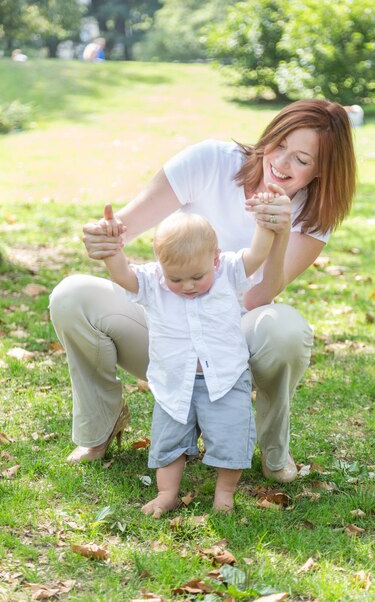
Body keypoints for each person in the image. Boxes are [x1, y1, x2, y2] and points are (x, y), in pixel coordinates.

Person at [50, 98, 357, 485]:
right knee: (71, 294)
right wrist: (104, 237)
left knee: (287, 331)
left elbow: (259, 295)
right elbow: (124, 224)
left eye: (301, 159)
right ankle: (101, 427)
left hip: (231, 344)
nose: (281, 164)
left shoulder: (316, 210)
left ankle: (273, 449)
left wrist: (277, 235)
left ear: (320, 171)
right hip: (166, 332)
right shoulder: (213, 160)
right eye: (279, 145)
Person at [101, 208, 275, 515]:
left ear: (215, 259)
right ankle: (167, 493)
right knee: (169, 443)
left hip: (225, 379)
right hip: (174, 383)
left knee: (230, 437)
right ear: (161, 268)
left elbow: (258, 253)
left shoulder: (227, 273)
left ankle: (225, 494)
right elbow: (122, 275)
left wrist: (264, 224)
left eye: (198, 276)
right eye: (176, 278)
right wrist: (113, 249)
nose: (188, 286)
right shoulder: (153, 284)